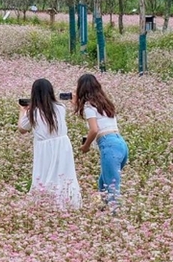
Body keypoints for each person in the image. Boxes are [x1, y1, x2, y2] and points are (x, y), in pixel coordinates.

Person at [18, 78, 81, 209]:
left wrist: (22, 111)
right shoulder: (60, 107)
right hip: (63, 145)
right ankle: (68, 202)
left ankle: (45, 204)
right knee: (64, 173)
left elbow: (22, 129)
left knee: (44, 174)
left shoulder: (33, 112)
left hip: (44, 148)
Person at [73, 73, 129, 211]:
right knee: (103, 183)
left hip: (109, 146)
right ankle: (102, 215)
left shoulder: (88, 106)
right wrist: (76, 104)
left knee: (111, 188)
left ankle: (116, 218)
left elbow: (94, 130)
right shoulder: (105, 103)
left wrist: (85, 146)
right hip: (120, 144)